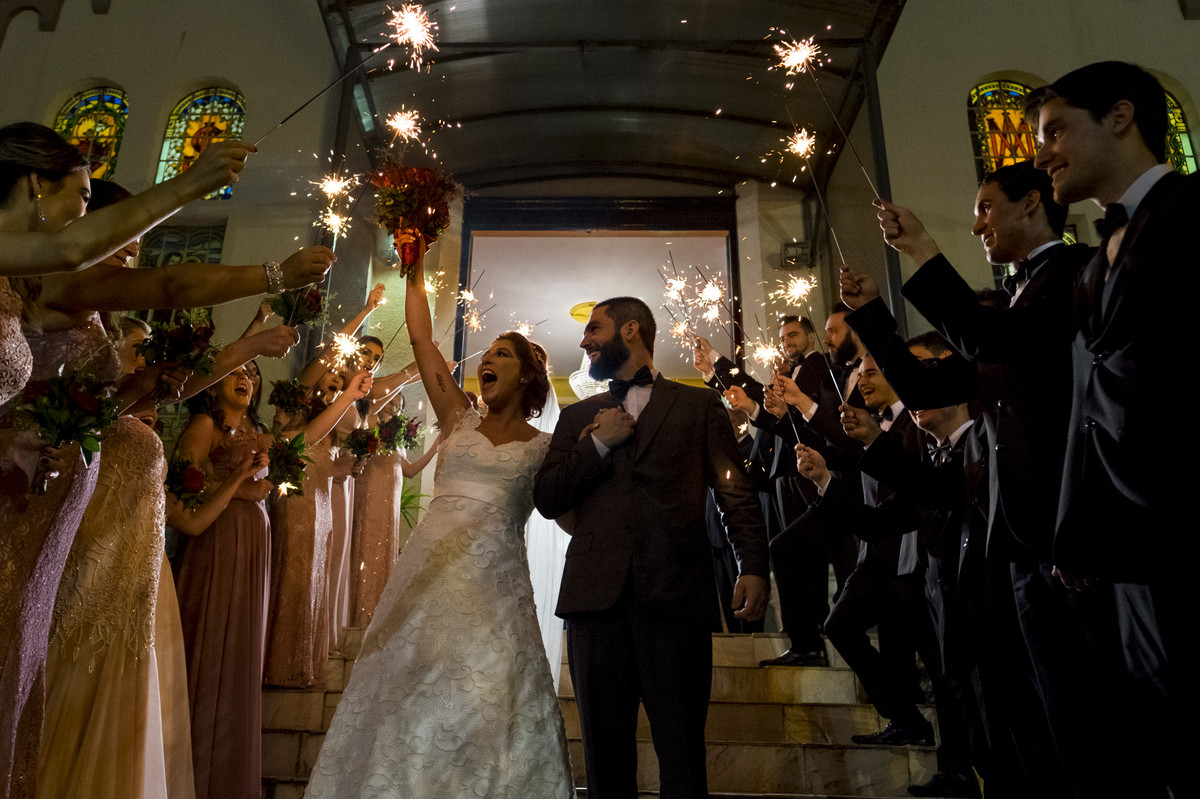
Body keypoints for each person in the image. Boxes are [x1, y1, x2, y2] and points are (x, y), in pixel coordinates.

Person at [305, 231, 572, 798]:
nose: (488, 360)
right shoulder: (459, 418)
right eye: (489, 353)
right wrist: (417, 264)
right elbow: (424, 339)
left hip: (496, 585)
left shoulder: (546, 448)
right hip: (429, 567)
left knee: (492, 692)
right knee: (408, 686)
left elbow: (569, 515)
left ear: (525, 375)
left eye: (502, 354)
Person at [1024, 60, 1199, 796]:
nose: (1042, 154)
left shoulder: (1192, 215)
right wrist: (1074, 528)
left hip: (1183, 521)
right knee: (1163, 738)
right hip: (1125, 549)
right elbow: (1085, 405)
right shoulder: (1094, 263)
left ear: (1120, 117)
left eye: (1056, 131)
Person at [534, 296, 769, 799]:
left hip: (676, 599)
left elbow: (734, 490)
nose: (584, 340)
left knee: (683, 756)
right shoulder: (578, 417)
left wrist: (753, 563)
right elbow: (547, 497)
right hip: (595, 604)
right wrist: (597, 445)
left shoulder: (699, 405)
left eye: (594, 329)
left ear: (631, 329)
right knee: (605, 759)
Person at [170, 363, 370, 799]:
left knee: (240, 646)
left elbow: (305, 439)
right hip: (218, 542)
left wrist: (348, 396)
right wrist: (240, 490)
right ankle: (190, 767)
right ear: (214, 381)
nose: (247, 380)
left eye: (253, 375)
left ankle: (223, 769)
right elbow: (181, 487)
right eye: (237, 372)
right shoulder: (204, 424)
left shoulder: (256, 430)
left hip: (252, 544)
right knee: (211, 636)